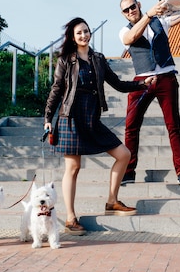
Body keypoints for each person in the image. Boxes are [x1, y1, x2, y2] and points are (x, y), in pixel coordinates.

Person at [44, 17, 156, 235]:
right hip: (71, 117)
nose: (84, 35)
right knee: (73, 168)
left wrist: (142, 83)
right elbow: (57, 89)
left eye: (86, 31)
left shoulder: (98, 59)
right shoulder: (66, 59)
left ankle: (112, 201)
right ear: (72, 37)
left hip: (92, 118)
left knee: (123, 154)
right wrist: (48, 117)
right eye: (79, 33)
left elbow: (118, 84)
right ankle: (70, 218)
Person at [118, 0, 180, 186]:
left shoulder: (160, 22)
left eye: (132, 7)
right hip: (142, 81)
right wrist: (148, 14)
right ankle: (129, 172)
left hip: (166, 77)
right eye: (126, 10)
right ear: (123, 14)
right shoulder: (125, 31)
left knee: (173, 126)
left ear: (138, 5)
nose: (130, 11)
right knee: (131, 127)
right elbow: (131, 39)